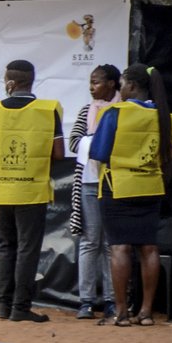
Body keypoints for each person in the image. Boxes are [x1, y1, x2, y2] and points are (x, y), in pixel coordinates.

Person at [89, 64, 172, 327]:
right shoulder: (163, 116)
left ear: (130, 86)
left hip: (118, 185)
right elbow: (168, 155)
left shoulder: (114, 113)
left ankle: (121, 312)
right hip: (151, 186)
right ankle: (147, 312)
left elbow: (99, 152)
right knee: (149, 247)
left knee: (119, 246)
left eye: (122, 85)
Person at [0, 59, 63, 323]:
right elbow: (59, 153)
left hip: (1, 188)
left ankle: (3, 306)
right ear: (31, 80)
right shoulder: (48, 110)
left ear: (10, 83)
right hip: (31, 189)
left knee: (5, 246)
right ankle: (21, 308)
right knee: (27, 248)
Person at [69, 64, 121, 321]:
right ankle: (86, 301)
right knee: (90, 240)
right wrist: (99, 140)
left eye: (97, 82)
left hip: (115, 183)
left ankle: (113, 300)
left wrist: (100, 140)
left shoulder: (124, 110)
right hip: (89, 182)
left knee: (112, 244)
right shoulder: (85, 111)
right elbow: (74, 141)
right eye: (90, 82)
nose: (92, 88)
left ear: (112, 84)